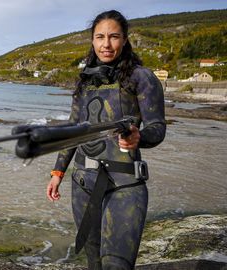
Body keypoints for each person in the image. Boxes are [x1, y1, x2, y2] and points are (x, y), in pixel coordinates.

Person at [46, 10, 166, 270]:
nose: (106, 44)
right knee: (94, 262)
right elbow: (73, 129)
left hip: (125, 185)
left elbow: (157, 127)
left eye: (113, 37)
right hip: (83, 183)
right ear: (92, 40)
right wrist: (58, 172)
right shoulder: (85, 81)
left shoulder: (141, 77)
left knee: (117, 265)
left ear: (125, 39)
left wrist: (139, 137)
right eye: (99, 37)